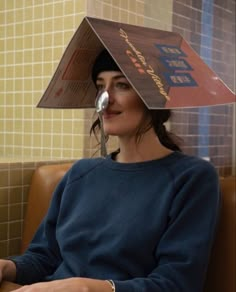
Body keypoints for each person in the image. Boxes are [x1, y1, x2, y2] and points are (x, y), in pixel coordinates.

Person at [0, 50, 220, 292]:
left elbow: (177, 283)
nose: (105, 98)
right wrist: (7, 267)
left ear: (153, 97)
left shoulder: (192, 177)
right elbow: (44, 257)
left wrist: (89, 288)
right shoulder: (80, 173)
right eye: (100, 86)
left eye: (122, 85)